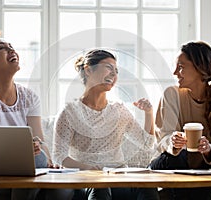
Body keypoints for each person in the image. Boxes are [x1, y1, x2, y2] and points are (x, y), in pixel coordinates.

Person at [0, 30, 73, 200]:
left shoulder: (30, 97)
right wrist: (27, 151)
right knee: (35, 160)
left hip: (29, 166)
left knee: (62, 190)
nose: (12, 51)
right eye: (3, 48)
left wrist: (48, 159)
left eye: (12, 47)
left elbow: (39, 140)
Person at [52, 49, 160, 200]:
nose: (114, 74)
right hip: (86, 179)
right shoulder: (70, 112)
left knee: (148, 187)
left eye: (116, 71)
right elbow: (59, 156)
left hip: (118, 178)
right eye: (109, 68)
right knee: (100, 188)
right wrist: (90, 169)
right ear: (88, 70)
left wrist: (149, 113)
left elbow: (146, 143)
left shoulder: (119, 110)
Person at [148, 41, 211, 200]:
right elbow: (162, 139)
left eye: (181, 67)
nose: (175, 72)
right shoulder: (172, 94)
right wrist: (173, 142)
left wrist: (207, 149)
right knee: (178, 157)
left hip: (203, 165)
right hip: (170, 161)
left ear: (200, 68)